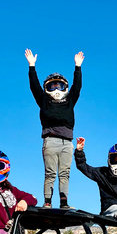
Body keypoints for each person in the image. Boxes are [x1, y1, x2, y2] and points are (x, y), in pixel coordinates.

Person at [25, 49, 84, 209]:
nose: (56, 89)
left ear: (65, 87)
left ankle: (64, 203)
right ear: (46, 88)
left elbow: (77, 86)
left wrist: (77, 67)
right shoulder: (44, 101)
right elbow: (34, 86)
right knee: (50, 173)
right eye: (52, 86)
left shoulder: (70, 100)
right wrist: (32, 66)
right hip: (50, 141)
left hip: (67, 143)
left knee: (65, 173)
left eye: (59, 85)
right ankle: (48, 202)